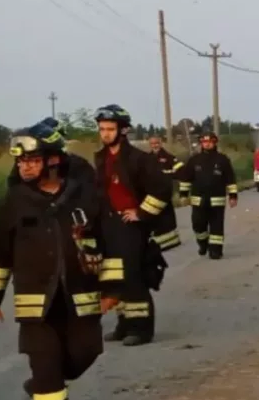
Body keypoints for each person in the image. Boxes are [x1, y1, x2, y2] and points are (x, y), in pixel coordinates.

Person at [0, 123, 123, 400]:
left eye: (31, 160)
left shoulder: (88, 198)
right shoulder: (12, 203)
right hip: (37, 310)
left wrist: (112, 290)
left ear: (53, 160)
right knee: (46, 370)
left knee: (84, 355)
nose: (24, 167)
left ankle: (45, 381)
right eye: (20, 162)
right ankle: (46, 385)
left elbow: (112, 245)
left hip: (82, 302)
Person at [93, 104, 171, 346]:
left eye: (110, 129)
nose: (105, 133)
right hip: (108, 225)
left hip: (131, 227)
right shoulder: (100, 158)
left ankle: (141, 329)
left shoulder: (140, 159)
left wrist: (141, 213)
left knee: (134, 277)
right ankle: (124, 324)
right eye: (102, 129)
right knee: (114, 277)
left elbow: (162, 189)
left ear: (123, 130)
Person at [175, 131, 238, 259]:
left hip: (217, 200)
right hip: (198, 200)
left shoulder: (223, 160)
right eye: (204, 142)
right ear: (201, 143)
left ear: (215, 143)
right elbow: (186, 179)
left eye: (209, 142)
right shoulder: (194, 160)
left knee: (217, 227)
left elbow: (230, 179)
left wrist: (233, 196)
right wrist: (183, 195)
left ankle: (215, 251)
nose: (207, 144)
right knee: (198, 225)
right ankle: (203, 244)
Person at [7, 117, 95, 187]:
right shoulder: (17, 182)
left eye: (35, 161)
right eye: (21, 161)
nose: (25, 167)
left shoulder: (78, 166)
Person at [146, 136, 182, 251]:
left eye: (157, 143)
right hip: (151, 194)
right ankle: (157, 240)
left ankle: (170, 240)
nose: (154, 145)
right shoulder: (146, 159)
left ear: (161, 143)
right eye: (152, 144)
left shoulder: (169, 157)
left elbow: (180, 172)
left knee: (167, 217)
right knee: (153, 218)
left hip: (165, 193)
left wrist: (166, 174)